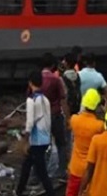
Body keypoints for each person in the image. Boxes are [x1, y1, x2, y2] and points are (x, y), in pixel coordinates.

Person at [16, 71, 55, 196]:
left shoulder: (31, 100)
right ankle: (19, 190)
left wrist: (25, 140)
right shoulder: (46, 100)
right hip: (45, 139)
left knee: (41, 171)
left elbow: (30, 122)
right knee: (27, 165)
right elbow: (48, 121)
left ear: (30, 83)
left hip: (37, 141)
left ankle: (50, 193)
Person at [66, 89, 104, 196]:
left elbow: (69, 124)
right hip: (91, 170)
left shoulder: (74, 120)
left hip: (75, 167)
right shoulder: (99, 126)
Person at [40, 53, 69, 181]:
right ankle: (61, 171)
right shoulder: (56, 79)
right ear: (53, 65)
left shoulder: (36, 79)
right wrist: (67, 118)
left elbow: (29, 99)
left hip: (41, 117)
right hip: (55, 115)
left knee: (41, 146)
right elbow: (63, 100)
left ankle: (39, 173)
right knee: (61, 144)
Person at [60, 53, 82, 117]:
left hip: (67, 107)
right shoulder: (78, 76)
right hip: (77, 105)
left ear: (67, 63)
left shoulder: (62, 78)